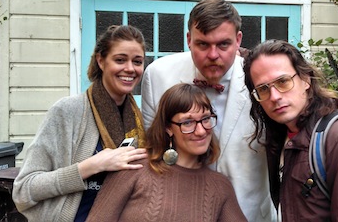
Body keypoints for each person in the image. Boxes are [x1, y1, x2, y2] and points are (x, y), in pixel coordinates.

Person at [141, 0, 276, 222]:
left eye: (223, 44)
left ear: (238, 40)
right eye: (203, 44)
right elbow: (154, 148)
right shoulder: (158, 75)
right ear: (188, 40)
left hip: (249, 212)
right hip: (177, 210)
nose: (213, 55)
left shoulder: (262, 79)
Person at [242, 39, 338, 221]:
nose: (274, 96)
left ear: (306, 79)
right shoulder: (284, 138)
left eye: (283, 81)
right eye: (263, 89)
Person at [13, 25, 148, 221]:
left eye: (137, 62)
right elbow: (24, 190)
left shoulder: (139, 120)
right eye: (120, 60)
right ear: (101, 60)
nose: (130, 68)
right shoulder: (68, 111)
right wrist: (90, 166)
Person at [86, 83, 248, 222]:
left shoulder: (219, 186)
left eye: (205, 119)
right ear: (168, 128)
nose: (200, 131)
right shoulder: (133, 169)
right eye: (188, 122)